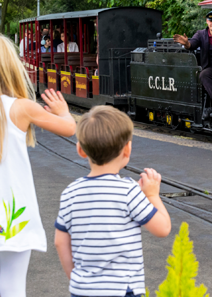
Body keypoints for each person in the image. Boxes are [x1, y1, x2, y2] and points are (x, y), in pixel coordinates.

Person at [54, 106, 171, 297]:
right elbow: (163, 228)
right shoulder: (129, 191)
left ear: (80, 150)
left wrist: (76, 279)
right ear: (127, 150)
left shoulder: (70, 193)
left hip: (82, 289)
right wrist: (152, 196)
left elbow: (60, 242)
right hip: (122, 290)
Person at [0, 34, 77, 297]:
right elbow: (69, 128)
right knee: (12, 288)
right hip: (13, 216)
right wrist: (63, 111)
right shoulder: (21, 108)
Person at [173, 10, 212, 119]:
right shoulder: (201, 34)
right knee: (204, 75)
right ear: (207, 21)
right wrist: (186, 44)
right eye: (210, 21)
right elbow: (192, 44)